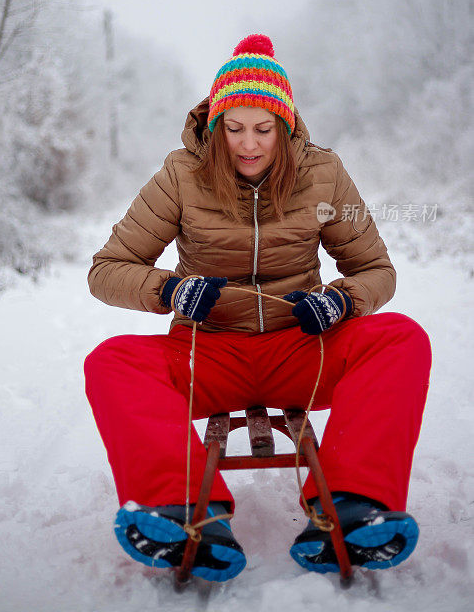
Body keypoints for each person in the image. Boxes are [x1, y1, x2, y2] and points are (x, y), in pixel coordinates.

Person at [84, 34, 431, 583]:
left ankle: (354, 503)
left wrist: (339, 301)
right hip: (209, 352)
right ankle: (181, 509)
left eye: (263, 129)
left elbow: (376, 272)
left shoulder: (324, 174)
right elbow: (106, 270)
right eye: (234, 127)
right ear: (215, 124)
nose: (248, 144)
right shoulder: (181, 175)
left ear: (286, 125)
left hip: (302, 350)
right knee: (113, 360)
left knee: (401, 336)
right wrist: (172, 290)